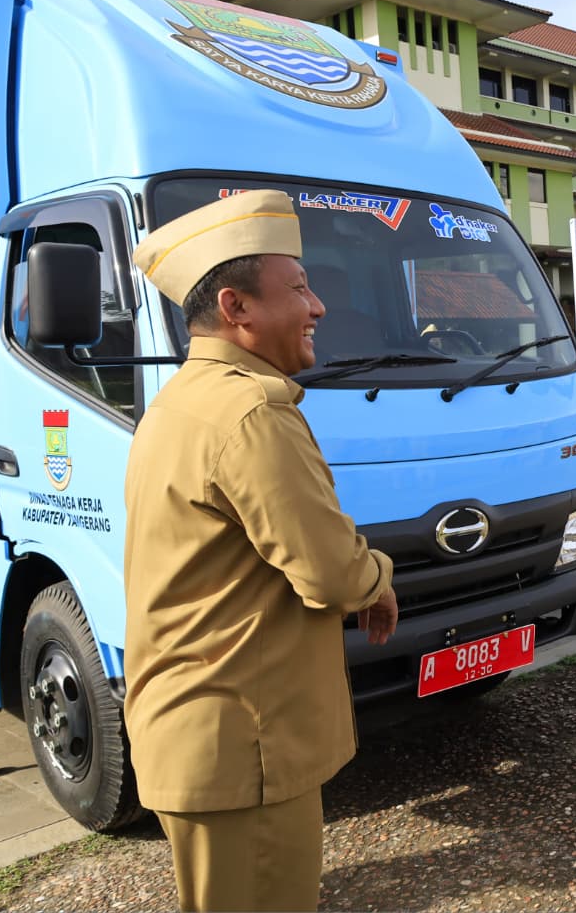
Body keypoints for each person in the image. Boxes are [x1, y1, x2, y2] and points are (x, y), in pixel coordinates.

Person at [123, 190, 399, 912]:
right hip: (244, 741)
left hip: (205, 734)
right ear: (236, 307)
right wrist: (379, 575)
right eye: (301, 288)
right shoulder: (251, 412)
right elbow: (331, 572)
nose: (319, 308)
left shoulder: (183, 399)